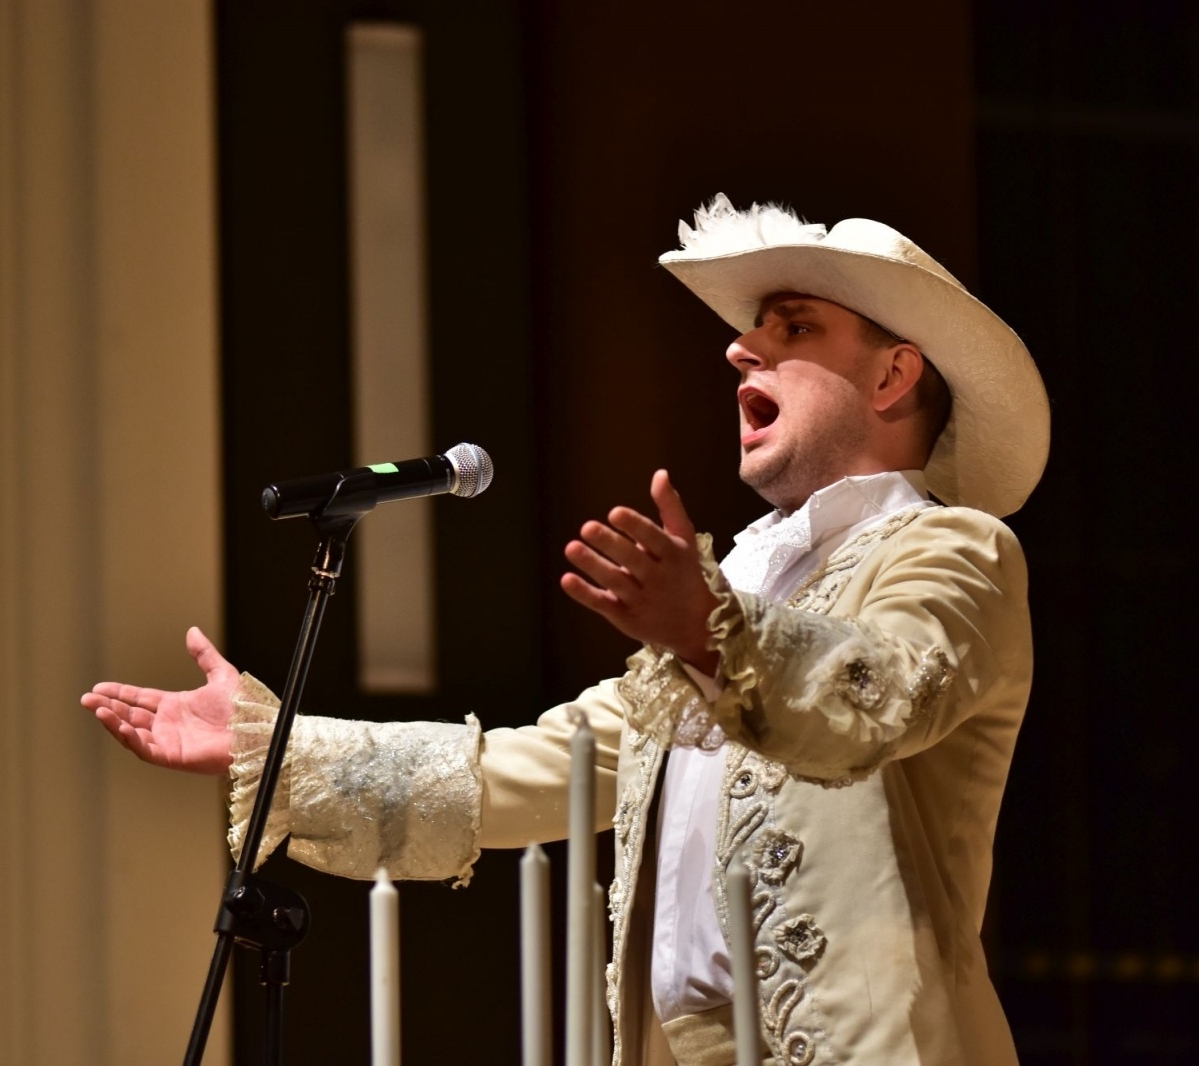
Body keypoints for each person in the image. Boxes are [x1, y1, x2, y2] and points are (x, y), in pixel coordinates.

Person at [84, 193, 1050, 1066]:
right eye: (753, 329)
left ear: (892, 376)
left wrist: (712, 633)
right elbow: (555, 763)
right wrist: (281, 751)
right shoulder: (746, 578)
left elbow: (879, 693)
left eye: (794, 327)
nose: (739, 351)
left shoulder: (953, 549)